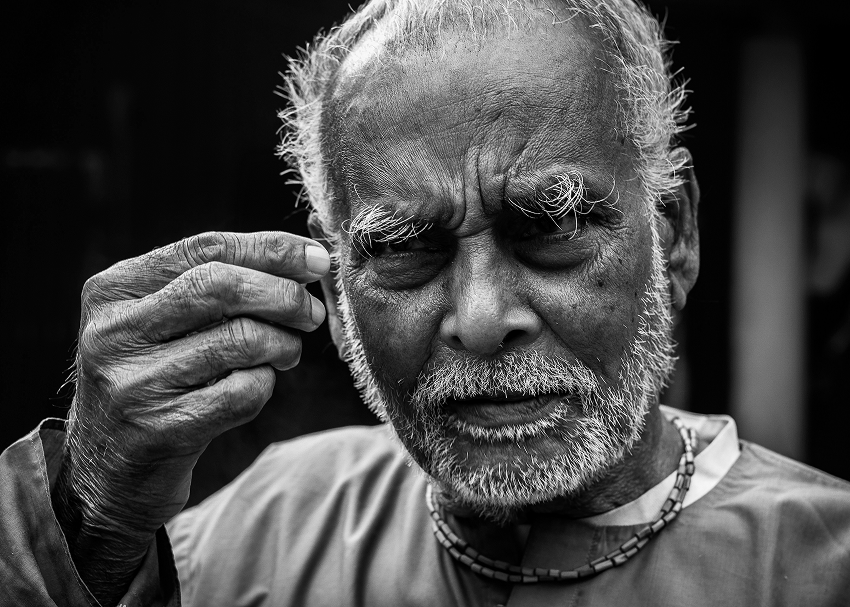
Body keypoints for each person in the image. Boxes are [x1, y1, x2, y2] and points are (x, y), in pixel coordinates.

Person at [2, 0, 849, 605]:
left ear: (674, 236)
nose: (480, 321)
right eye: (406, 249)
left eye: (549, 227)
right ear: (334, 286)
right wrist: (90, 519)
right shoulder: (265, 526)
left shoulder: (823, 561)